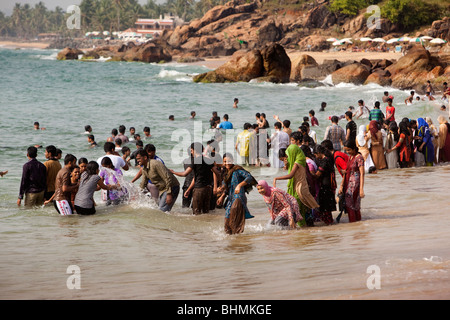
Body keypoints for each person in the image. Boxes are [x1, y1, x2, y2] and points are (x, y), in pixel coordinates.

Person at [274, 144, 319, 226]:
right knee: (299, 208)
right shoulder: (296, 160)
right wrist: (286, 164)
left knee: (298, 209)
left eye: (287, 155)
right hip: (297, 186)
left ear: (292, 152)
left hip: (300, 187)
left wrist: (276, 178)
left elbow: (291, 175)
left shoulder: (298, 162)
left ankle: (303, 227)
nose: (287, 157)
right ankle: (303, 227)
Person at [171, 142, 217, 215]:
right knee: (206, 213)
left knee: (196, 213)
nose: (191, 152)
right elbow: (216, 173)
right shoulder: (208, 160)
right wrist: (217, 186)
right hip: (208, 189)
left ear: (193, 150)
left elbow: (185, 173)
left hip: (199, 189)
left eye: (191, 150)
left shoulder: (195, 161)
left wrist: (174, 172)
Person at [216, 153, 256, 235]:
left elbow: (249, 177)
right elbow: (226, 186)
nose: (227, 163)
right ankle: (232, 242)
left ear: (232, 161)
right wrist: (221, 194)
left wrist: (239, 185)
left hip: (238, 198)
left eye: (229, 161)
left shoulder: (237, 170)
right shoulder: (225, 174)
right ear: (223, 162)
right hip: (230, 199)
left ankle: (238, 243)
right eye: (225, 161)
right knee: (227, 224)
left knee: (235, 222)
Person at [339, 140, 365, 223]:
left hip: (355, 185)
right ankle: (356, 225)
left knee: (353, 205)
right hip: (348, 183)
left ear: (354, 149)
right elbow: (347, 171)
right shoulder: (350, 157)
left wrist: (361, 189)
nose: (347, 152)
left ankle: (354, 224)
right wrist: (341, 186)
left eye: (349, 150)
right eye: (346, 150)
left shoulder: (359, 157)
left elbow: (362, 173)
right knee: (351, 205)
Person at [310, 144, 337, 225]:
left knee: (325, 207)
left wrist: (308, 172)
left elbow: (317, 175)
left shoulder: (325, 160)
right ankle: (329, 224)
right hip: (326, 184)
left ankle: (329, 224)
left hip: (326, 185)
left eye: (315, 155)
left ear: (318, 153)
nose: (315, 157)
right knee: (325, 207)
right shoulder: (326, 158)